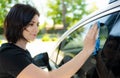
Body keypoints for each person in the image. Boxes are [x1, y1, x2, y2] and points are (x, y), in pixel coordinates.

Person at [0, 3, 98, 78]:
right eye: (31, 24)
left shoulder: (21, 52)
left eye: (37, 24)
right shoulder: (9, 55)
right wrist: (86, 51)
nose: (36, 29)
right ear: (17, 24)